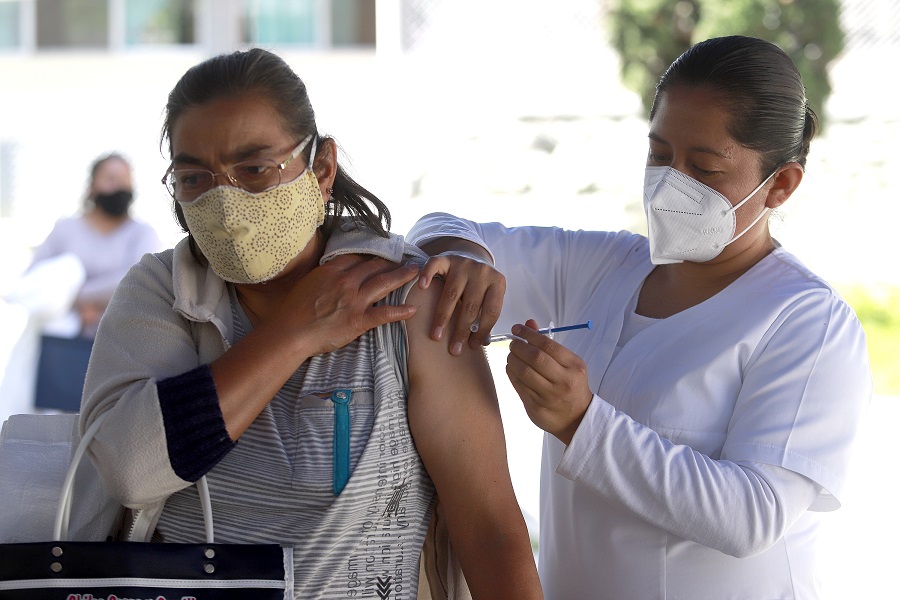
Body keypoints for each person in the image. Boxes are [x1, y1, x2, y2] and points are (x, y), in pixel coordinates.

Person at [407, 36, 872, 599]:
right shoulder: (607, 266)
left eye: (703, 167)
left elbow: (752, 516)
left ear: (780, 185)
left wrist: (583, 423)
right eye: (659, 156)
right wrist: (470, 258)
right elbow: (437, 230)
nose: (671, 183)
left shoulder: (806, 322)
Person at [78, 48, 542, 599]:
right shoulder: (162, 295)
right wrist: (296, 332)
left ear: (321, 167)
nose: (225, 203)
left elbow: (490, 530)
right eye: (195, 178)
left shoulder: (408, 301)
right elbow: (132, 469)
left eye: (253, 169)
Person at [28, 152, 163, 338]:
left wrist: (74, 300)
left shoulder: (143, 233)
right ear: (92, 186)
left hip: (123, 342)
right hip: (61, 344)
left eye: (125, 180)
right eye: (111, 178)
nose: (119, 186)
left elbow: (139, 282)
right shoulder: (65, 228)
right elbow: (35, 278)